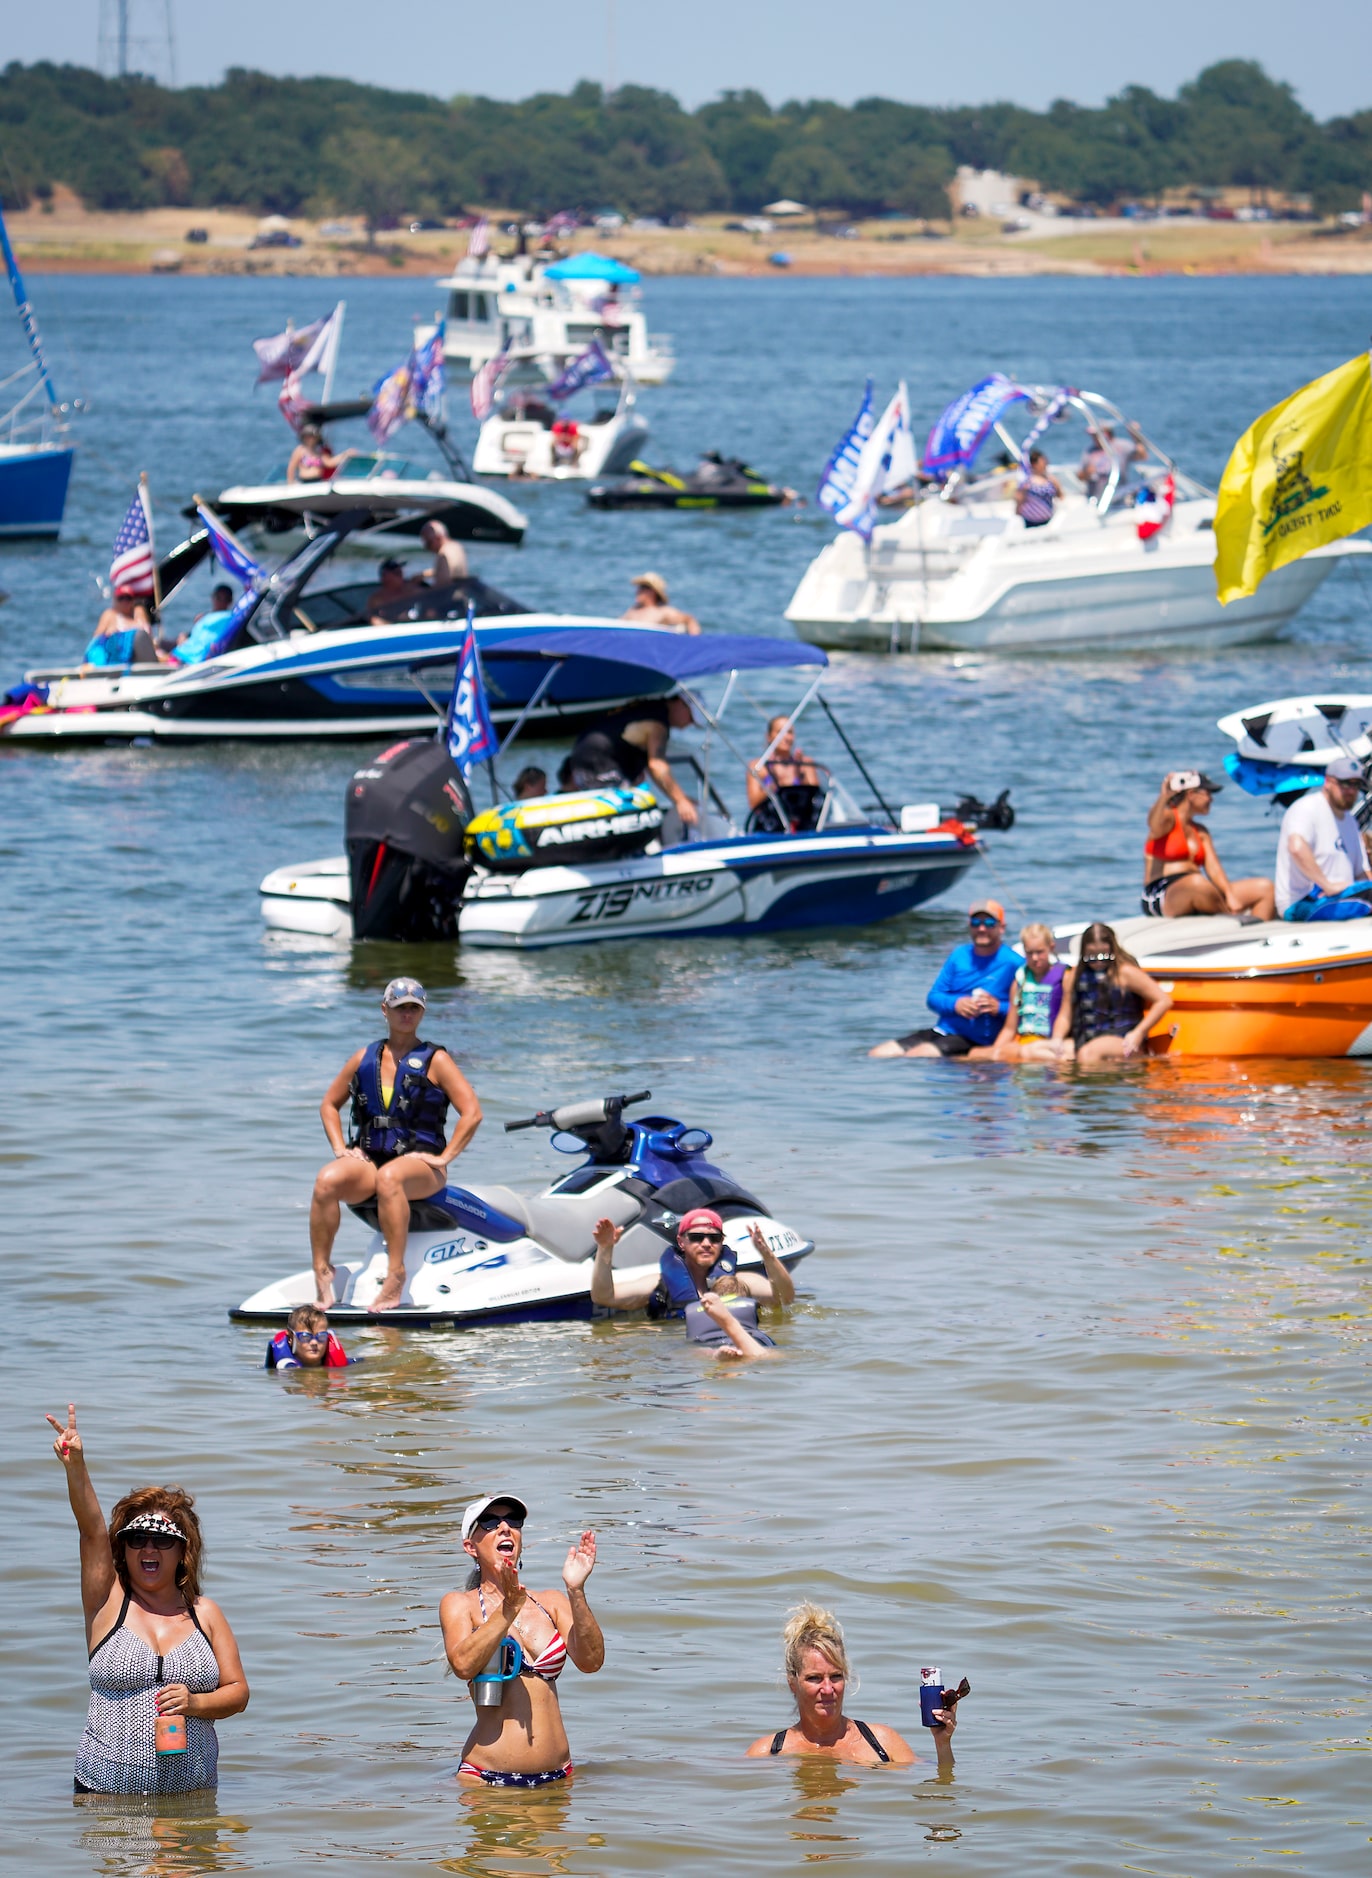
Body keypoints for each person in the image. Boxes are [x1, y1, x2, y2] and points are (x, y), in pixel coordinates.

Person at [46, 1404, 249, 1795]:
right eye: (137, 1539)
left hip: (192, 1803)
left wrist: (195, 1703)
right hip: (107, 1800)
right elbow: (90, 1532)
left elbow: (238, 1692)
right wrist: (76, 1466)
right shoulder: (107, 1602)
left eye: (163, 1540)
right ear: (123, 1550)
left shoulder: (205, 1614)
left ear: (182, 1551)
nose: (148, 1548)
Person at [310, 977, 482, 1312]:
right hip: (370, 1160)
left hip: (421, 1164)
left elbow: (472, 1113)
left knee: (391, 1179)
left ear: (422, 1013)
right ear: (384, 1010)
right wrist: (339, 1148)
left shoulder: (436, 1060)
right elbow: (329, 1105)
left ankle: (395, 1275)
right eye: (400, 1008)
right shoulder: (364, 1057)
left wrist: (446, 1157)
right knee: (326, 1180)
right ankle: (322, 1271)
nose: (407, 1015)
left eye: (414, 1009)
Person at [439, 1494, 603, 1787]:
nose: (505, 1528)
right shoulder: (460, 1605)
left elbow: (592, 1662)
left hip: (558, 1778)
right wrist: (507, 1611)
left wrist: (576, 1590)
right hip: (487, 1780)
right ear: (470, 1547)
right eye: (490, 1523)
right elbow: (463, 1664)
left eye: (514, 1521)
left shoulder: (551, 1602)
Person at [746, 1604, 948, 1768]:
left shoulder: (883, 1743)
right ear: (793, 1683)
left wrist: (942, 1743)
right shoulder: (768, 1752)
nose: (827, 1689)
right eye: (814, 1678)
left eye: (835, 1676)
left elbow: (941, 1783)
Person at [869, 899, 1021, 1058]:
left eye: (989, 923)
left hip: (974, 1038)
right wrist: (956, 1004)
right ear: (969, 925)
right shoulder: (959, 955)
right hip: (942, 1030)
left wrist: (998, 1007)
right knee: (878, 1053)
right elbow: (933, 998)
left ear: (1002, 927)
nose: (981, 928)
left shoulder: (1014, 963)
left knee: (918, 1055)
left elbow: (1031, 1007)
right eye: (976, 922)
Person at [590, 1208, 797, 1315]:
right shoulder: (660, 1285)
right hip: (678, 1354)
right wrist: (605, 1248)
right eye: (697, 1237)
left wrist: (767, 1255)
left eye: (714, 1238)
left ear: (722, 1242)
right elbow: (603, 1297)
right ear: (681, 1242)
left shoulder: (742, 1282)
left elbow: (784, 1297)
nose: (706, 1243)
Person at [1143, 771, 1275, 920]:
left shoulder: (1200, 831)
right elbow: (1153, 823)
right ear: (1191, 794)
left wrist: (1230, 895)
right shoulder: (1167, 820)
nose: (1211, 799)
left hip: (1201, 889)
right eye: (1208, 793)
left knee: (1265, 887)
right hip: (1163, 893)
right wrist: (1164, 796)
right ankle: (1231, 920)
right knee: (1197, 883)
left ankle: (1255, 937)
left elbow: (1214, 869)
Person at [557, 694, 700, 828]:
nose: (688, 725)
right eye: (691, 718)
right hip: (601, 761)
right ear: (681, 703)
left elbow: (652, 769)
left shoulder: (646, 708)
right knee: (625, 816)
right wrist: (681, 801)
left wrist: (679, 798)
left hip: (581, 753)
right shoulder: (658, 724)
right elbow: (657, 764)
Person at [1051, 921, 1172, 1067]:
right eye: (1092, 956)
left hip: (1122, 1041)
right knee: (1033, 1052)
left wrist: (1138, 1033)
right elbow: (1065, 1015)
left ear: (1112, 950)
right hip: (1085, 1040)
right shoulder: (1075, 976)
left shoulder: (1125, 973)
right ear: (1083, 953)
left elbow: (1164, 1001)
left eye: (1103, 956)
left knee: (1088, 1054)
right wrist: (1057, 1039)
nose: (1098, 962)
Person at [1275, 758, 1372, 921]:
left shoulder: (1350, 821)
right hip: (1303, 903)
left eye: (1356, 785)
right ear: (1328, 781)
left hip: (1342, 897)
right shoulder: (1306, 808)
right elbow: (1296, 847)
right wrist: (1328, 885)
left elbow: (1362, 873)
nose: (1351, 791)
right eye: (1345, 784)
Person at [987, 922, 1068, 1063]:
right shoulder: (1019, 981)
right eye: (1029, 953)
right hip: (1024, 1041)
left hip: (1048, 1042)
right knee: (979, 1055)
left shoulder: (1064, 977)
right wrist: (995, 1054)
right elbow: (1009, 1028)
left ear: (1051, 947)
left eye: (1040, 952)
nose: (1035, 958)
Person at [747, 715, 824, 832]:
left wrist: (798, 774)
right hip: (770, 826)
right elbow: (753, 803)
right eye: (780, 732)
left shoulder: (805, 763)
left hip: (802, 825)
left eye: (790, 732)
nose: (786, 737)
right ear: (769, 736)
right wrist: (774, 785)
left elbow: (816, 799)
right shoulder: (758, 766)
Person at [692, 1279, 781, 1360]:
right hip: (750, 1340)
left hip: (711, 1342)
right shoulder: (757, 1336)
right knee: (773, 1354)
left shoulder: (703, 1336)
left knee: (702, 1350)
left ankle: (715, 1354)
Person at [83, 588, 163, 671]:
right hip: (119, 658)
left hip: (144, 655)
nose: (125, 601)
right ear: (115, 600)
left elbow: (150, 639)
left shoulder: (138, 614)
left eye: (128, 598)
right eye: (121, 598)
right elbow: (96, 639)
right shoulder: (110, 615)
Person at [264, 1304, 360, 1370]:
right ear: (290, 1339)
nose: (314, 1342)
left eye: (321, 1336)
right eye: (305, 1337)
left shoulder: (339, 1364)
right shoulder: (281, 1369)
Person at [171, 583, 236, 666]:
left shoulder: (227, 618)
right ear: (212, 597)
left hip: (192, 657)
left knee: (164, 647)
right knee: (163, 643)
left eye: (224, 599)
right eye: (217, 597)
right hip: (188, 648)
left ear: (229, 601)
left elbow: (206, 642)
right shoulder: (206, 617)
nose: (219, 601)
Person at [1079, 423, 1146, 502]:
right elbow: (1080, 476)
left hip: (1119, 498)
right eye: (1093, 436)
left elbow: (1142, 456)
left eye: (1096, 435)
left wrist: (1135, 435)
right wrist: (1087, 473)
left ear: (1106, 434)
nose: (1093, 438)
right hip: (1095, 499)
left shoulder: (1122, 446)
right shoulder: (1089, 451)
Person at [620, 571, 701, 635]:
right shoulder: (633, 610)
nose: (638, 591)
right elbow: (618, 626)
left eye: (643, 587)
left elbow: (689, 619)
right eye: (639, 587)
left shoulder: (662, 611)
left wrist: (694, 640)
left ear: (652, 591)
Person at [286, 424, 355, 484]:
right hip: (305, 482)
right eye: (308, 436)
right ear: (304, 437)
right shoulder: (300, 450)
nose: (310, 439)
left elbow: (330, 462)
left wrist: (346, 454)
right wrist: (291, 482)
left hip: (318, 481)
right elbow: (291, 467)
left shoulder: (319, 452)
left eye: (312, 437)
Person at [367, 558, 424, 624]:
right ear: (385, 576)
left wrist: (425, 575)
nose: (401, 575)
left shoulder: (412, 591)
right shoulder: (377, 599)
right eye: (396, 573)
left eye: (400, 572)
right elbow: (374, 619)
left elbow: (431, 596)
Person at [1015, 451, 1062, 528]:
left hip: (1049, 520)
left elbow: (1060, 496)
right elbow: (1019, 500)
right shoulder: (1027, 481)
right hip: (1030, 521)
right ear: (1034, 464)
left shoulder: (1050, 480)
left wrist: (1057, 485)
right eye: (1042, 462)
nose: (1045, 464)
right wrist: (1017, 517)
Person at [421, 517, 469, 587]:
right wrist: (424, 575)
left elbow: (442, 585)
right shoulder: (456, 546)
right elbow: (449, 570)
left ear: (438, 537)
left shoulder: (443, 554)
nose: (427, 547)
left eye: (428, 543)